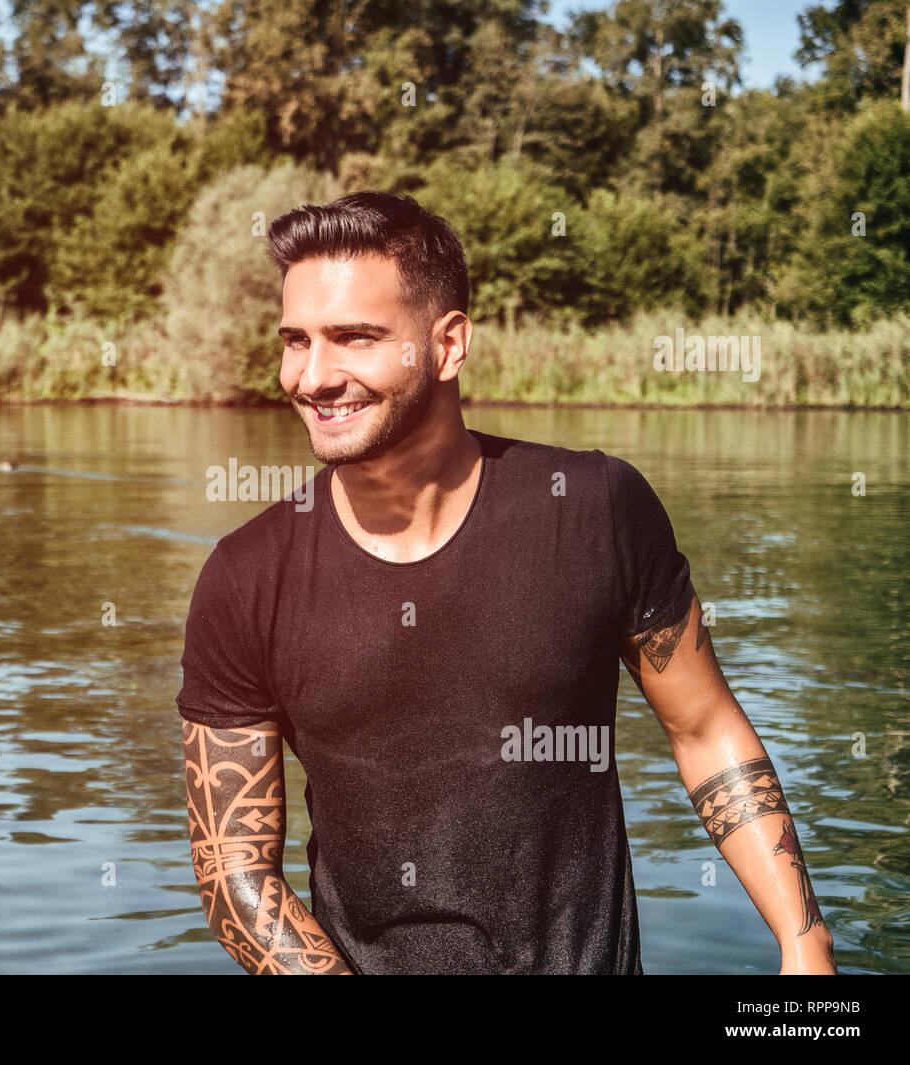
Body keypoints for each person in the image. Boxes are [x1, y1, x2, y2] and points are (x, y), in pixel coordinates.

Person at [175, 191, 836, 975]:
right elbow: (235, 875)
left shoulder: (595, 508)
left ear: (448, 343)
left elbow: (704, 730)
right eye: (296, 340)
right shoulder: (248, 577)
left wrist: (804, 943)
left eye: (354, 337)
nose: (312, 376)